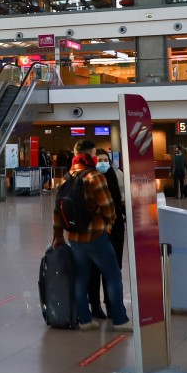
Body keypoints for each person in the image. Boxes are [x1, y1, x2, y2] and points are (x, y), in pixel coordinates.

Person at [52, 140, 132, 332]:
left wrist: (58, 235)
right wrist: (109, 224)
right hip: (96, 237)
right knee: (113, 275)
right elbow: (109, 208)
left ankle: (85, 319)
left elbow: (57, 210)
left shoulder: (67, 177)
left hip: (74, 238)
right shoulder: (95, 177)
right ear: (90, 155)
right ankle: (120, 320)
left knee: (81, 277)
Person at [86, 148, 126, 320]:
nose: (103, 163)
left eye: (105, 159)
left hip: (115, 226)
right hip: (96, 227)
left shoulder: (117, 174)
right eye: (99, 160)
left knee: (114, 267)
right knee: (95, 269)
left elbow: (123, 198)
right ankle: (95, 305)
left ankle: (111, 304)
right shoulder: (90, 177)